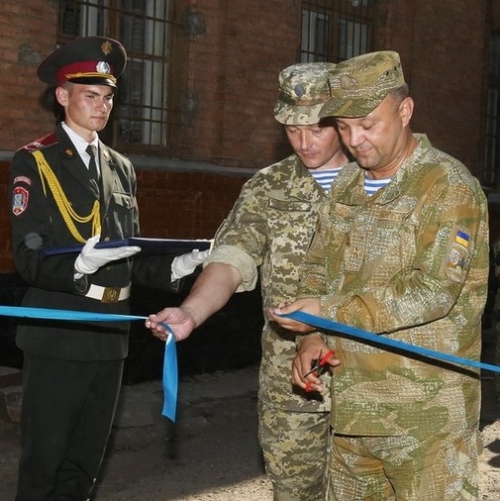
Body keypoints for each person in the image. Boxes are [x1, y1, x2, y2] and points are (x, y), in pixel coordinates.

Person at [270, 51, 489, 500]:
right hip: (353, 413)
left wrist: (327, 313)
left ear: (405, 111)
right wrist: (312, 336)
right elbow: (317, 270)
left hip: (425, 422)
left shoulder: (446, 186)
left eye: (368, 124)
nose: (355, 140)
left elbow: (432, 292)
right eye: (345, 128)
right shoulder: (348, 185)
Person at [7, 36, 208, 501]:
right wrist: (79, 265)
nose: (102, 107)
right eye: (90, 96)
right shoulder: (34, 160)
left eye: (108, 98)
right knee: (44, 464)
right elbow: (27, 257)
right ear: (63, 97)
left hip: (111, 333)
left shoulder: (121, 167)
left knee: (85, 466)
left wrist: (177, 267)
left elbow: (129, 255)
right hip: (59, 331)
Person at [146, 62, 349, 500]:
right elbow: (231, 260)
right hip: (291, 382)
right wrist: (190, 313)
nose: (304, 142)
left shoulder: (377, 183)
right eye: (292, 130)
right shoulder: (268, 187)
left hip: (367, 375)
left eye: (316, 129)